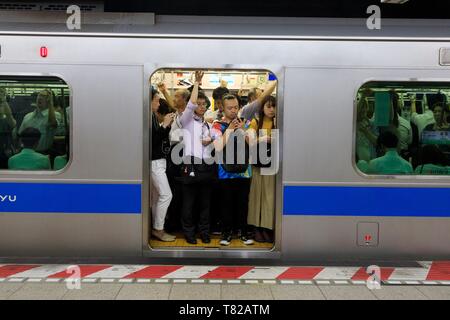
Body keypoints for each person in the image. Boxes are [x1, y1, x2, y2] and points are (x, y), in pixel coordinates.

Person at [211, 94, 254, 246]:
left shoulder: (246, 122)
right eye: (230, 108)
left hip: (244, 170)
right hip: (224, 171)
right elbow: (217, 146)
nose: (234, 111)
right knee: (226, 204)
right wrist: (229, 129)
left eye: (236, 107)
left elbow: (254, 144)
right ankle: (226, 233)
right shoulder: (217, 125)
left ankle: (242, 232)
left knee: (243, 203)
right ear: (222, 108)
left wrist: (242, 130)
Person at [178, 71, 215, 244]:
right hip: (190, 164)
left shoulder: (208, 124)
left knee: (205, 204)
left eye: (203, 104)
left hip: (206, 165)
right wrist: (197, 83)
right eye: (198, 103)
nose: (200, 106)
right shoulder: (186, 119)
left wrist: (211, 140)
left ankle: (204, 232)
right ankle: (189, 233)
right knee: (189, 203)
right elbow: (190, 104)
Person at [247, 96, 277, 243]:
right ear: (262, 108)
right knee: (256, 196)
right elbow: (250, 141)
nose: (272, 110)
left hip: (273, 165)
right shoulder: (256, 122)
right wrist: (263, 139)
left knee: (269, 198)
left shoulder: (279, 122)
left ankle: (268, 228)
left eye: (274, 106)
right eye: (268, 106)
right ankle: (256, 228)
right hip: (258, 165)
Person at [150, 87, 177, 242]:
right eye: (156, 99)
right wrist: (165, 125)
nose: (158, 103)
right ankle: (158, 229)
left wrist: (166, 126)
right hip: (155, 162)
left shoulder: (152, 116)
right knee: (167, 195)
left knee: (156, 197)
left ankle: (155, 226)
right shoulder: (151, 118)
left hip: (158, 161)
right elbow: (153, 142)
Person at [18, 89, 62, 153]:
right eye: (39, 95)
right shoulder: (28, 116)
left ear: (50, 99)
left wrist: (50, 103)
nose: (40, 98)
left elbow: (53, 124)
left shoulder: (55, 115)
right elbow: (20, 135)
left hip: (43, 153)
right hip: (25, 152)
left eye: (44, 96)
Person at [0, 88, 16, 169]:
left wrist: (3, 102)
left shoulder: (8, 107)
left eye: (2, 92)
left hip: (5, 149)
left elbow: (13, 124)